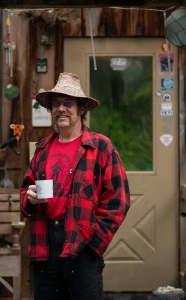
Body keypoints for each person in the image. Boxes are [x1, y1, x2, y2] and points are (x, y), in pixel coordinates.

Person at [20, 72, 130, 300]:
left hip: (83, 242)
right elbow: (26, 188)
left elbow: (119, 201)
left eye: (68, 103)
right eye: (56, 104)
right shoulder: (42, 149)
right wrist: (29, 197)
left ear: (81, 109)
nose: (61, 109)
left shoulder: (100, 147)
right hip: (45, 243)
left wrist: (93, 244)